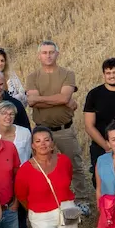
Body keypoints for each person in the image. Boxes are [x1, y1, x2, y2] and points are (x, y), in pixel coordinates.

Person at [24, 40, 83, 190]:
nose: (48, 56)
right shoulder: (32, 77)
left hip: (64, 131)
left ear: (57, 54)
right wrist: (62, 100)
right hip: (42, 132)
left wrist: (40, 99)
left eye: (51, 52)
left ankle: (81, 199)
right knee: (45, 167)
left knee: (74, 166)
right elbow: (32, 103)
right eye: (44, 53)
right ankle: (51, 198)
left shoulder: (67, 74)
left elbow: (63, 98)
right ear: (39, 56)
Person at [80, 57, 115, 166]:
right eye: (108, 73)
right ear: (103, 75)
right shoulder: (94, 94)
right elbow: (89, 126)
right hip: (101, 147)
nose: (112, 76)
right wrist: (107, 146)